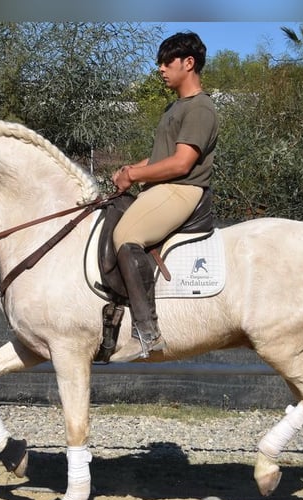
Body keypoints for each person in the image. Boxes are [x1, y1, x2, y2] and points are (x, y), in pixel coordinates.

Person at [111, 31, 219, 361]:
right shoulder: (176, 107)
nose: (160, 68)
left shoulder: (200, 108)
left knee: (125, 236)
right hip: (166, 186)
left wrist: (135, 174)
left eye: (166, 61)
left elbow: (182, 163)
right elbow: (161, 158)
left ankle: (146, 332)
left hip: (183, 189)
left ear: (189, 63)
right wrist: (130, 169)